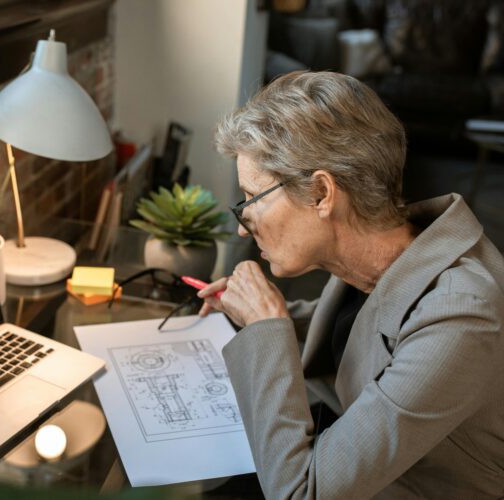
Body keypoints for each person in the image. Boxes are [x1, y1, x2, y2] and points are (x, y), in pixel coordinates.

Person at [199, 71, 504, 498]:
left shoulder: (461, 315)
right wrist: (255, 316)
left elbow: (299, 492)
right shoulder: (384, 256)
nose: (244, 230)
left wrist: (263, 328)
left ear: (323, 193)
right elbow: (365, 329)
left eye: (251, 201)